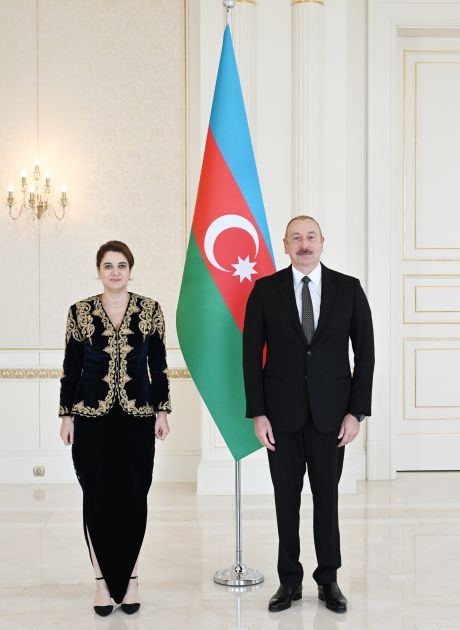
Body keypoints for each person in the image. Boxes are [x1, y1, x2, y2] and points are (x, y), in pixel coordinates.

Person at [243, 216, 374, 614]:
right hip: (280, 419)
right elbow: (250, 356)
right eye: (296, 238)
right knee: (285, 501)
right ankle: (289, 580)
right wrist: (258, 413)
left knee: (327, 500)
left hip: (331, 419)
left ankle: (328, 578)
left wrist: (355, 413)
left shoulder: (348, 289)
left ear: (322, 242)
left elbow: (365, 354)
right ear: (285, 245)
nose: (304, 244)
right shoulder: (265, 290)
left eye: (311, 237)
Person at [59, 240, 171, 616]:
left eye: (121, 265)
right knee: (96, 498)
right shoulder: (80, 312)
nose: (115, 271)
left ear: (130, 270)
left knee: (134, 497)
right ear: (99, 271)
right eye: (108, 265)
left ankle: (132, 578)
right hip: (91, 418)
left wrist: (162, 412)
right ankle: (102, 583)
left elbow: (159, 366)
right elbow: (71, 368)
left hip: (138, 417)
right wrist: (66, 416)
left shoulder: (150, 310)